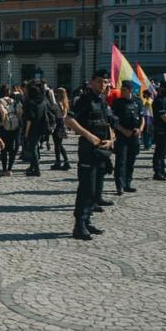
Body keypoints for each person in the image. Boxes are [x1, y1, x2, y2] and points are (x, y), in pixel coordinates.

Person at [65, 69, 114, 241]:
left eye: (105, 82)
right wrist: (89, 136)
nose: (103, 85)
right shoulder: (84, 100)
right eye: (99, 81)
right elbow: (69, 120)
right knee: (86, 188)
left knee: (95, 190)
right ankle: (79, 225)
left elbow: (108, 123)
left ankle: (87, 221)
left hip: (102, 151)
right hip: (88, 150)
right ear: (92, 82)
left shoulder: (101, 101)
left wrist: (111, 139)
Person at [111, 81, 144, 195]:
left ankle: (127, 184)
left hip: (134, 136)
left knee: (131, 161)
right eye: (122, 89)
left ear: (130, 90)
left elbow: (142, 117)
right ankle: (119, 186)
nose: (122, 92)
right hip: (122, 136)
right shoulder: (117, 103)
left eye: (124, 90)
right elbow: (114, 121)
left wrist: (140, 129)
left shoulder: (138, 102)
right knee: (121, 161)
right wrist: (123, 130)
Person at [22, 83, 48, 176]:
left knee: (33, 149)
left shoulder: (31, 103)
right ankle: (32, 167)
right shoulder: (43, 102)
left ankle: (37, 170)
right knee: (35, 147)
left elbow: (29, 119)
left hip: (32, 129)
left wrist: (26, 133)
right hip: (40, 128)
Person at [151, 80, 166, 181]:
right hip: (160, 128)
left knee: (164, 151)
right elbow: (163, 115)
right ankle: (157, 172)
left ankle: (162, 169)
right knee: (159, 151)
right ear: (161, 89)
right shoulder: (158, 101)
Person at [0, 86, 21, 176]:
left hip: (4, 128)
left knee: (3, 149)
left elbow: (2, 112)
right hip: (14, 127)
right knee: (12, 149)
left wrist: (3, 122)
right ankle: (10, 169)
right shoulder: (14, 101)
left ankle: (4, 170)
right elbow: (19, 112)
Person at [50, 88, 71, 171]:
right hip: (62, 124)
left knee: (57, 145)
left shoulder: (56, 104)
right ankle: (65, 161)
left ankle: (58, 162)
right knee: (59, 144)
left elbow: (54, 114)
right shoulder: (65, 103)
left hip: (57, 124)